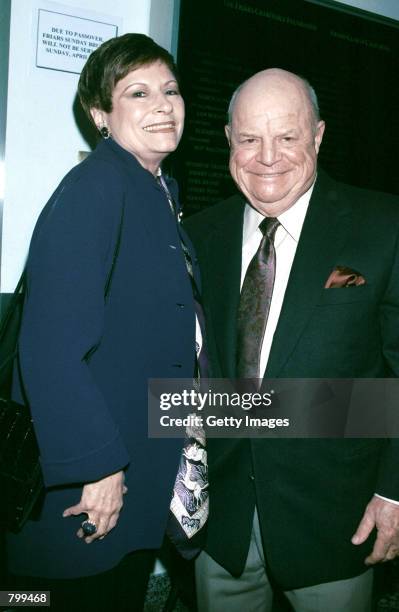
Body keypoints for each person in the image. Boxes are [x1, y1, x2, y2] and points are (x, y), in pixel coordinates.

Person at [185, 68, 399, 611]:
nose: (267, 157)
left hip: (337, 520)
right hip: (223, 524)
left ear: (319, 135)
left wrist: (394, 491)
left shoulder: (383, 225)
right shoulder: (197, 236)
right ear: (229, 140)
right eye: (250, 138)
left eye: (287, 137)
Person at [5, 33, 206, 612]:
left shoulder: (155, 191)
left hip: (135, 465)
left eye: (170, 90)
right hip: (95, 482)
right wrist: (98, 467)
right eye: (138, 92)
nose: (163, 104)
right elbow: (50, 347)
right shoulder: (97, 186)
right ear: (100, 114)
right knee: (43, 600)